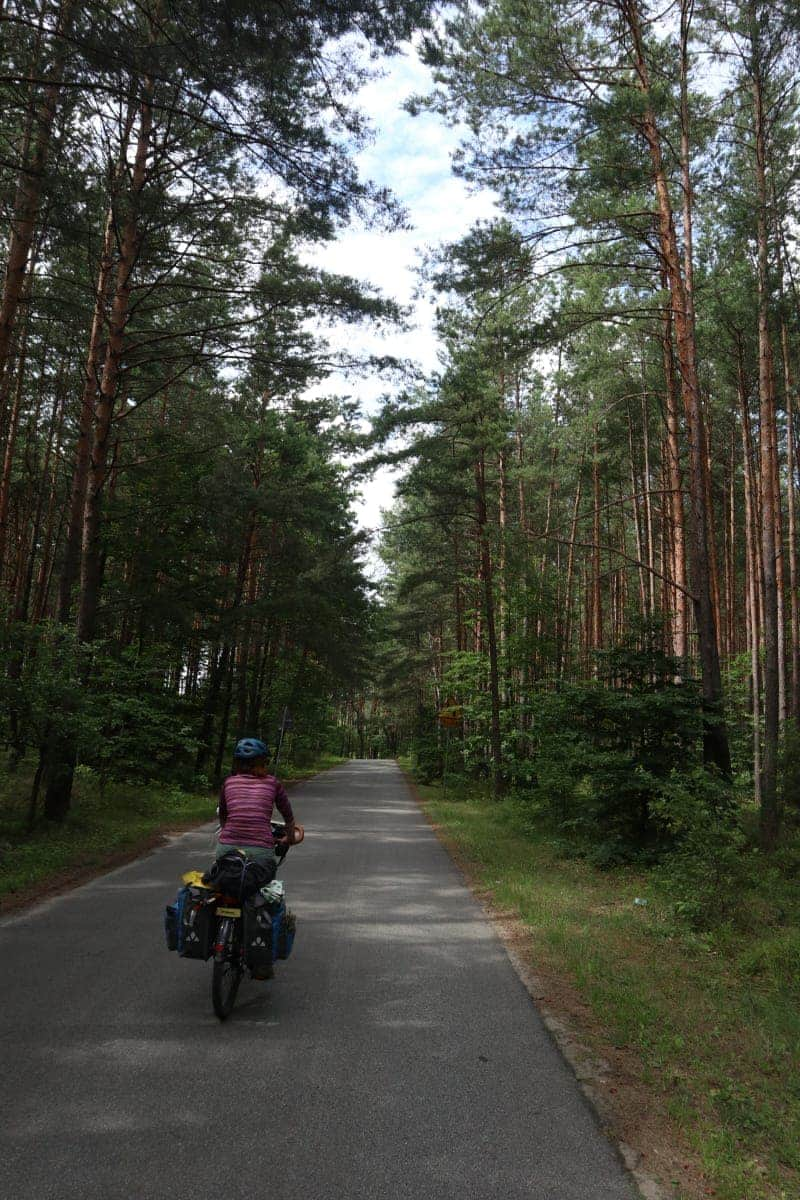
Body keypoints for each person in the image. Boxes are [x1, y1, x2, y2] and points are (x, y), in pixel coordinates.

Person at [216, 737, 296, 876]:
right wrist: (289, 838)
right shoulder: (272, 783)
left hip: (227, 848)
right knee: (265, 888)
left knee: (222, 884)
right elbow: (288, 818)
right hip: (261, 849)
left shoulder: (229, 783)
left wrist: (229, 832)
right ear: (263, 762)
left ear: (237, 763)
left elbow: (223, 815)